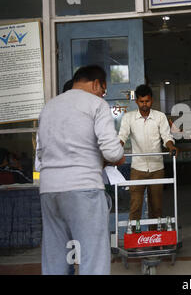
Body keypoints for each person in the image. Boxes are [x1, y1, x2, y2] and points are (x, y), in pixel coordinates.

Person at [37, 65, 125, 275]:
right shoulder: (96, 104)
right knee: (93, 256)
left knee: (56, 256)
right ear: (96, 84)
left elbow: (40, 153)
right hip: (83, 188)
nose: (103, 94)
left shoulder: (49, 107)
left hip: (49, 190)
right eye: (103, 89)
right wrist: (118, 156)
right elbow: (112, 152)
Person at [118, 84, 178, 228]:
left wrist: (171, 146)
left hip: (157, 168)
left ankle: (155, 238)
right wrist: (115, 151)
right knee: (135, 206)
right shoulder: (128, 118)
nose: (145, 105)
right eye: (141, 101)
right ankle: (134, 239)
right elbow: (122, 136)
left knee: (156, 207)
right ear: (136, 101)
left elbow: (166, 136)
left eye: (147, 101)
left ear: (152, 100)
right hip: (137, 169)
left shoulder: (160, 117)